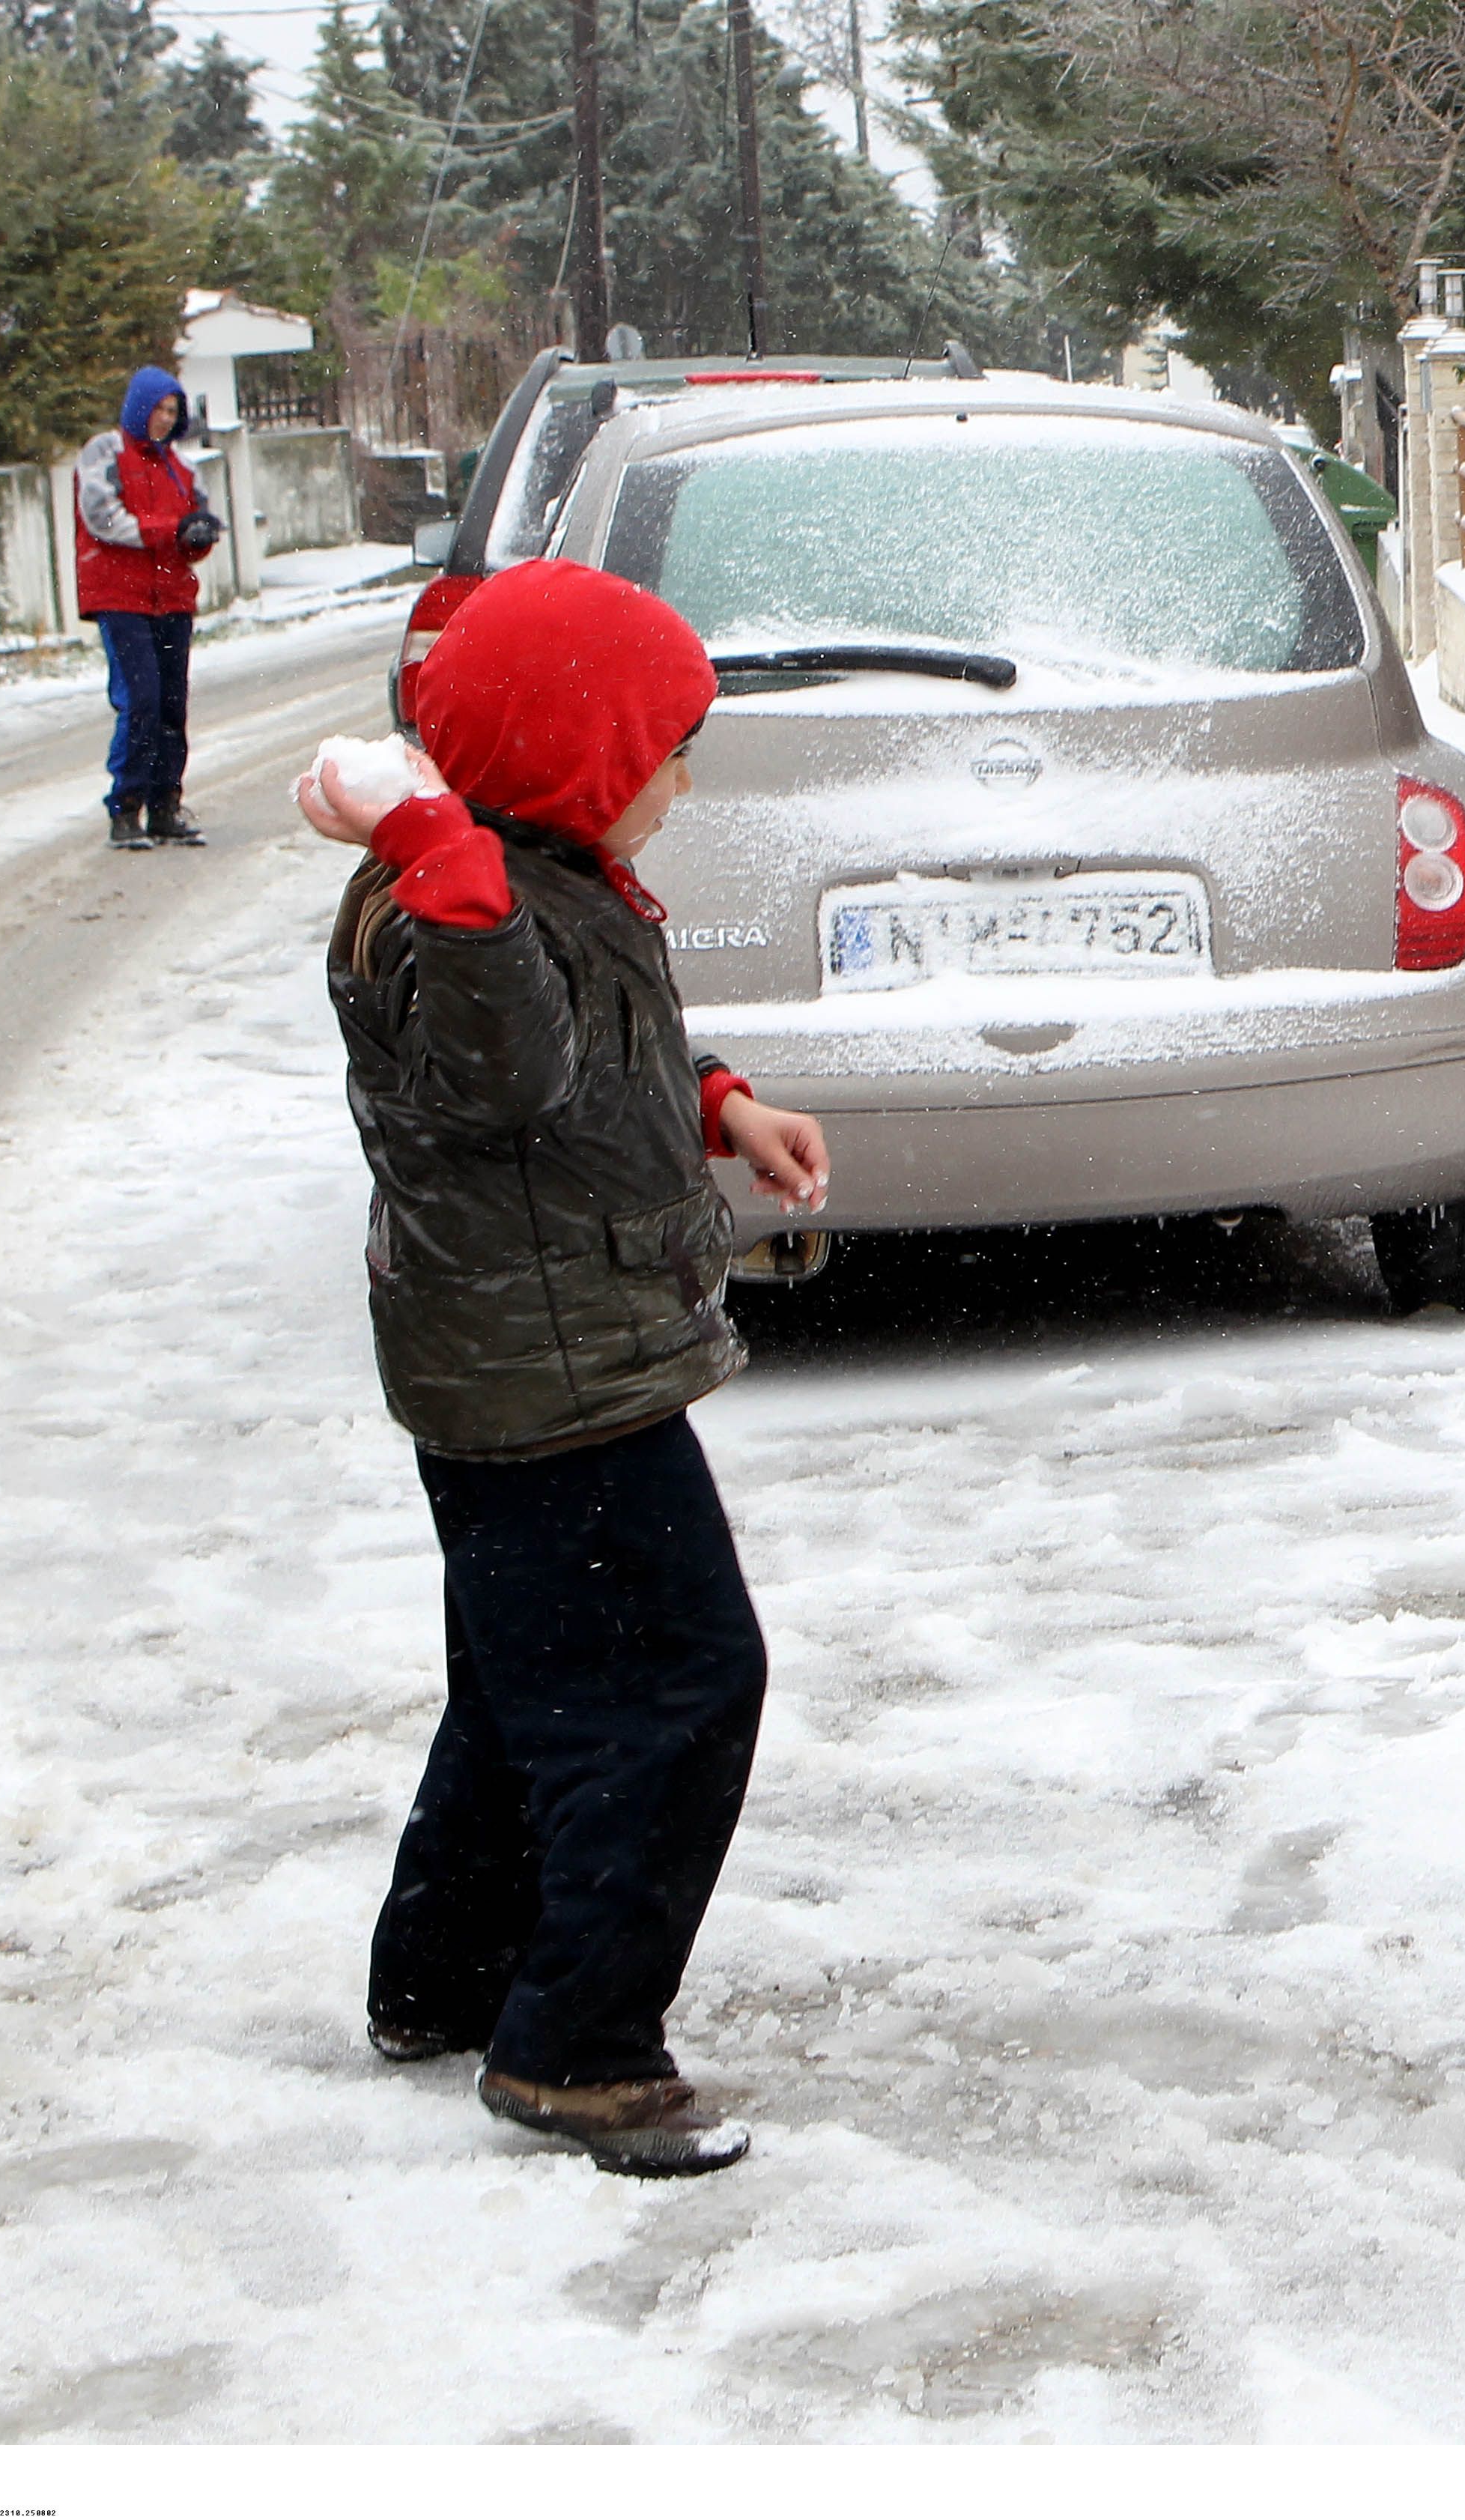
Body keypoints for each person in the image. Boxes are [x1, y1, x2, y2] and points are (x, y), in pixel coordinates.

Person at [295, 557, 831, 2176]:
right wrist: (438, 855)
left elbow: (590, 1057)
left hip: (531, 1362)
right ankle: (578, 2047)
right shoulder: (450, 909)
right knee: (681, 1685)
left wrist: (717, 1096)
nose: (681, 776)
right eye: (662, 746)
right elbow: (515, 1064)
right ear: (571, 753)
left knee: (527, 1684)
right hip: (548, 1389)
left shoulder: (540, 878)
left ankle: (442, 1983)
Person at [73, 366, 222, 849]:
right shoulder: (104, 454)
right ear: (139, 407)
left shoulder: (184, 471)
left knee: (172, 704)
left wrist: (198, 538)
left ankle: (166, 805)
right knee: (141, 701)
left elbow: (191, 531)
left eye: (172, 411)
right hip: (120, 598)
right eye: (158, 408)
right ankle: (126, 807)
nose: (164, 418)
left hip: (173, 599)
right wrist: (170, 532)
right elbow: (104, 520)